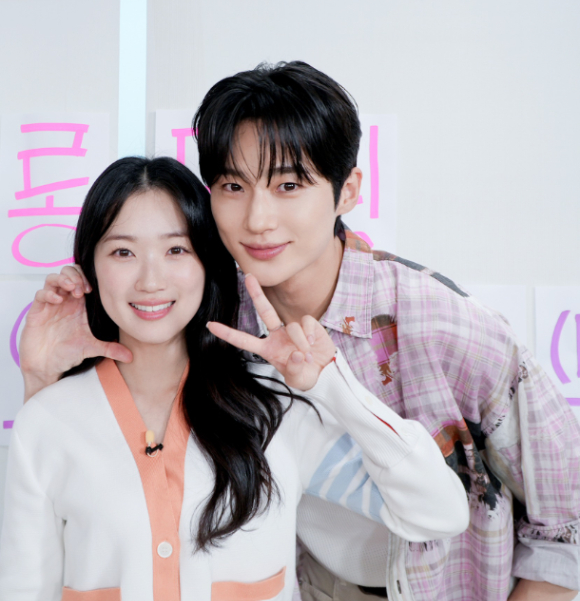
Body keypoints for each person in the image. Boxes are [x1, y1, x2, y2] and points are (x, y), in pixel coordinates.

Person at [18, 61, 580, 601]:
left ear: (347, 191)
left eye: (288, 185)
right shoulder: (207, 310)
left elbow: (568, 524)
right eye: (233, 186)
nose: (258, 219)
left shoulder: (436, 321)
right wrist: (43, 381)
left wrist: (332, 382)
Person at [0, 157, 469, 601]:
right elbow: (25, 589)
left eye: (176, 249)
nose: (150, 280)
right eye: (123, 252)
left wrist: (331, 384)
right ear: (89, 267)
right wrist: (39, 376)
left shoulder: (275, 407)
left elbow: (439, 513)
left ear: (208, 261)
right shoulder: (47, 419)